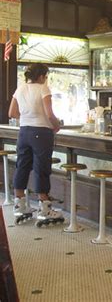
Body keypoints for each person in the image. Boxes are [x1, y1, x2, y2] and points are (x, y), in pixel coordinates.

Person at [8, 63, 63, 224]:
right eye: (45, 76)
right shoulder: (42, 88)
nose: (46, 79)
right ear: (41, 76)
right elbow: (49, 114)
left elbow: (12, 113)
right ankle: (44, 208)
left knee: (22, 166)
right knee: (41, 168)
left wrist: (28, 116)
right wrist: (57, 125)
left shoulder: (20, 89)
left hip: (24, 132)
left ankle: (20, 205)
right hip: (41, 133)